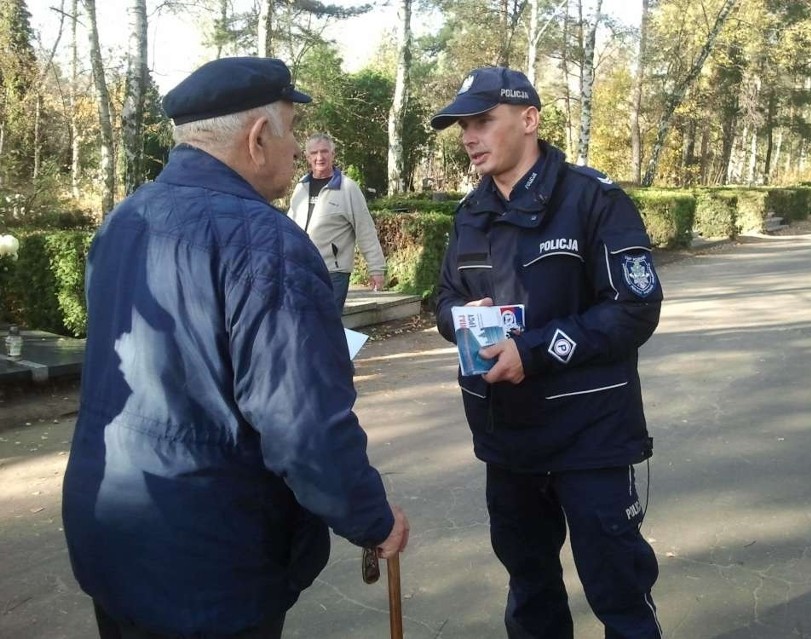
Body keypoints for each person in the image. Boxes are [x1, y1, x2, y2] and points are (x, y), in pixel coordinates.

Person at [61, 57, 409, 639]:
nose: (298, 148)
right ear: (257, 136)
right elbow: (301, 423)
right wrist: (371, 520)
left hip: (110, 531)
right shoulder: (267, 244)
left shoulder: (124, 219)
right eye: (292, 128)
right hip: (209, 559)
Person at [431, 66, 664, 639]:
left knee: (618, 591)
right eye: (463, 124)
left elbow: (634, 308)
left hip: (590, 437)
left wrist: (532, 351)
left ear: (530, 120)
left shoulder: (593, 201)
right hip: (506, 439)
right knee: (530, 590)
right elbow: (442, 299)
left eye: (483, 120)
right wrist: (459, 319)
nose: (469, 136)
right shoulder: (470, 214)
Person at [288, 133, 386, 314]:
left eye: (324, 151)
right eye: (314, 153)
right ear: (308, 157)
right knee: (304, 323)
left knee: (327, 325)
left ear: (333, 154)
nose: (320, 157)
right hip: (301, 268)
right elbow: (289, 229)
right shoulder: (301, 187)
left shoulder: (348, 188)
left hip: (333, 272)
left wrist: (376, 269)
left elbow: (365, 230)